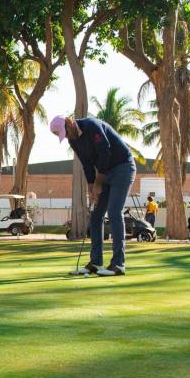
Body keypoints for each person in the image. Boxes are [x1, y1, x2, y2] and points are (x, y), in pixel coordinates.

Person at [50, 115, 136, 276]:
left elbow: (105, 152)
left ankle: (118, 264)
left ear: (69, 122)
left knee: (114, 212)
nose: (67, 136)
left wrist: (98, 183)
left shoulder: (92, 126)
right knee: (96, 216)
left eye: (66, 132)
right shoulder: (73, 141)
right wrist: (91, 187)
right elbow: (87, 164)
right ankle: (96, 262)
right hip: (106, 173)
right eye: (64, 135)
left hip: (123, 167)